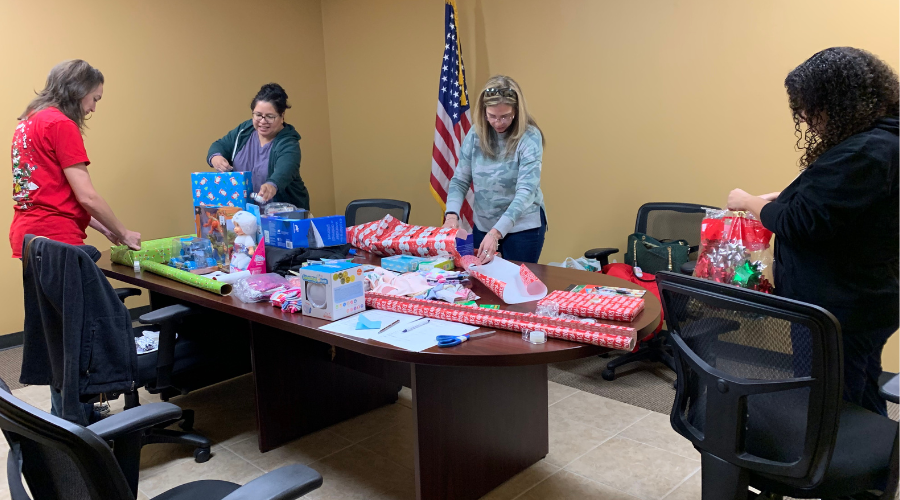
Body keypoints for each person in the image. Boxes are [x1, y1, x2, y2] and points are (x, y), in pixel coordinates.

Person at [726, 47, 899, 416]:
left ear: (837, 102)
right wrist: (783, 196)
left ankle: (835, 471)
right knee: (860, 387)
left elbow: (800, 224)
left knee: (830, 403)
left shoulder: (864, 151)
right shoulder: (884, 140)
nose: (803, 115)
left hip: (836, 307)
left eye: (808, 105)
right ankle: (877, 467)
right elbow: (841, 205)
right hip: (867, 298)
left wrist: (749, 201)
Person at [9, 60, 141, 258]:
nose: (93, 108)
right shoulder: (60, 124)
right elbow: (87, 196)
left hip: (28, 236)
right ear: (79, 91)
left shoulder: (29, 121)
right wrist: (124, 233)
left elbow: (55, 195)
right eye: (95, 99)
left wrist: (106, 228)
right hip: (56, 238)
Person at [443, 75, 547, 264]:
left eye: (505, 116)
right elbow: (460, 180)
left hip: (522, 227)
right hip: (484, 224)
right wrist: (451, 215)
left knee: (516, 284)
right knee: (481, 282)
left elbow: (526, 192)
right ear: (483, 112)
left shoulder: (529, 137)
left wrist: (496, 233)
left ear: (516, 111)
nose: (498, 123)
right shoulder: (476, 134)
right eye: (492, 116)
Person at [207, 83, 309, 210]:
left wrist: (272, 185)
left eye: (270, 117)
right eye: (258, 115)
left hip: (282, 217)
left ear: (282, 116)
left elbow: (286, 168)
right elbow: (220, 145)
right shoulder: (244, 130)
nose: (262, 121)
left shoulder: (288, 142)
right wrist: (216, 158)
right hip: (244, 215)